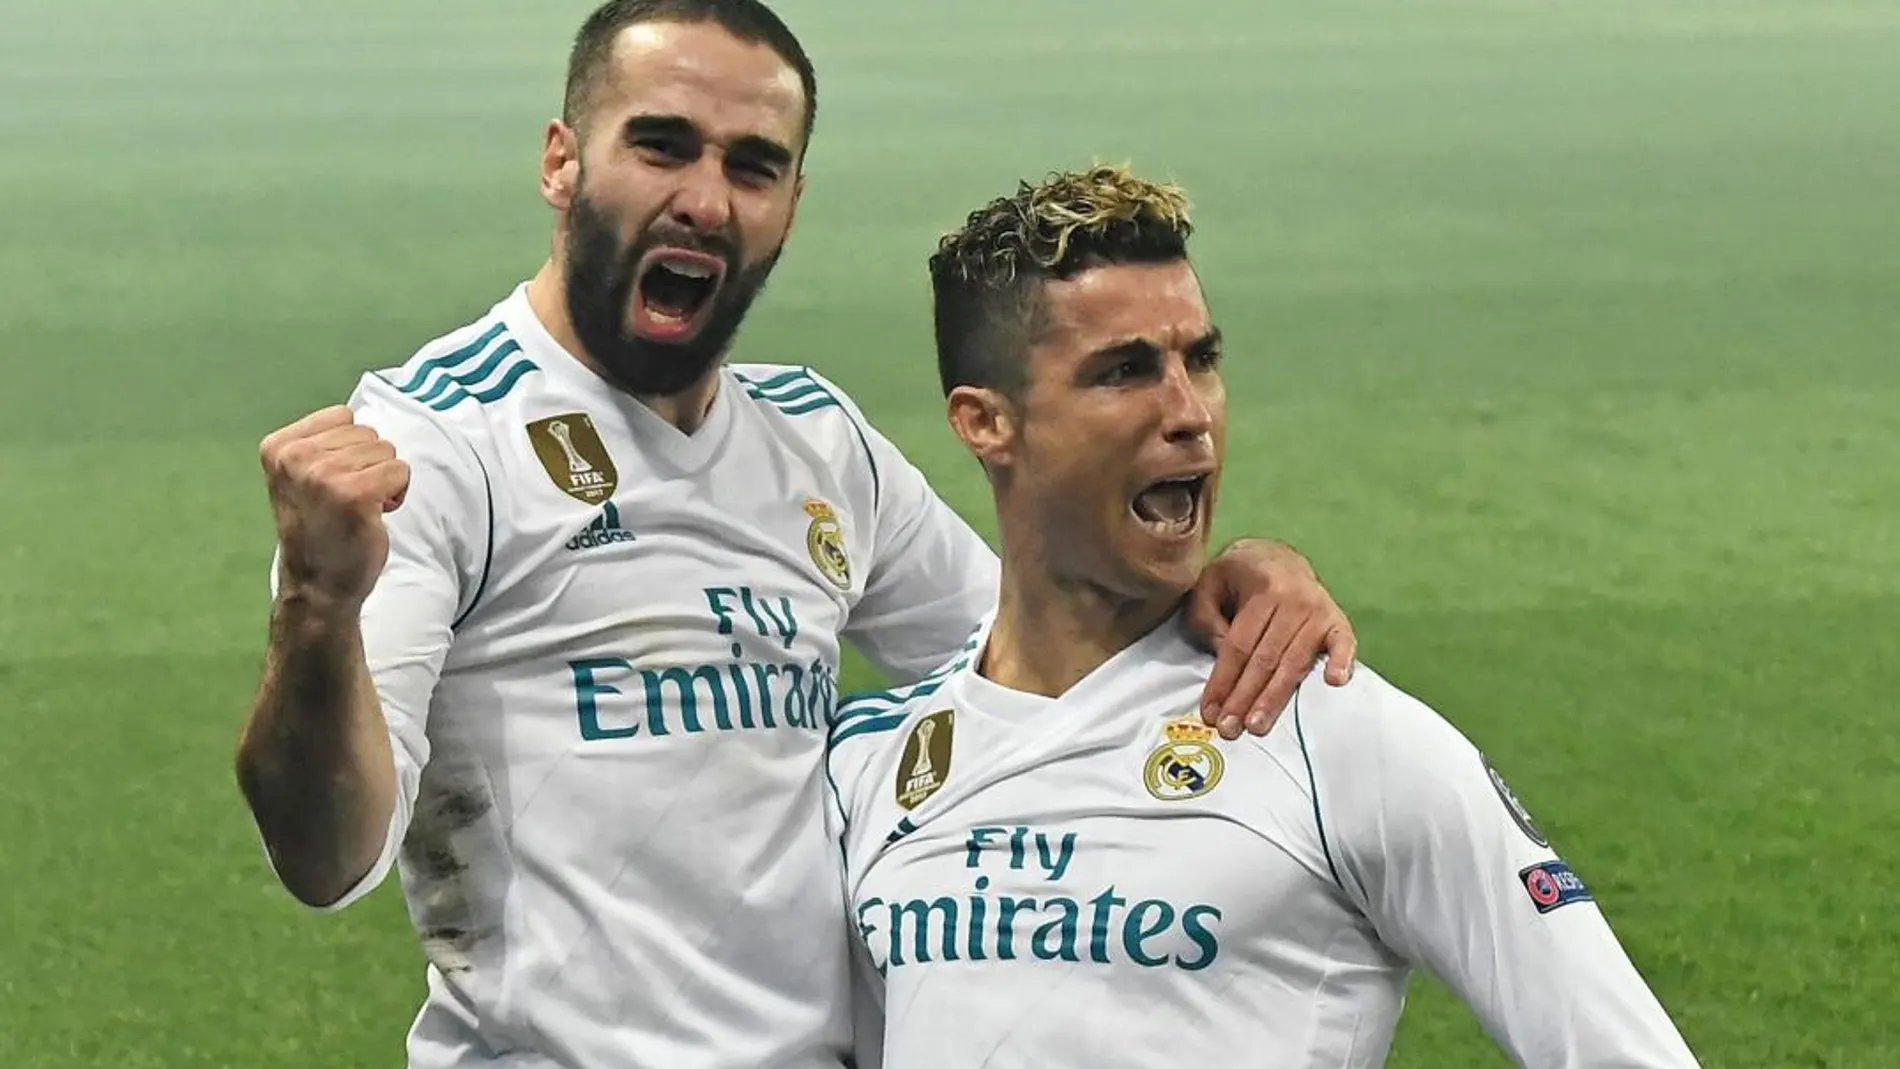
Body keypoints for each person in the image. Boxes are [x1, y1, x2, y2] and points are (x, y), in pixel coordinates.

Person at [234, 3, 1356, 1068]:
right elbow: (327, 856)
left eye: (752, 165)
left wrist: (1241, 576)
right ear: (561, 162)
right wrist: (317, 610)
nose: (706, 201)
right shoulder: (440, 444)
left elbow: (1052, 669)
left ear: (791, 202)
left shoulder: (817, 443)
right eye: (662, 146)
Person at [826, 164, 1702, 1068]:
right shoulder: (871, 767)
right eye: (1125, 371)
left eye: (1200, 360)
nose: (1189, 414)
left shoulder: (1338, 738)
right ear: (986, 423)